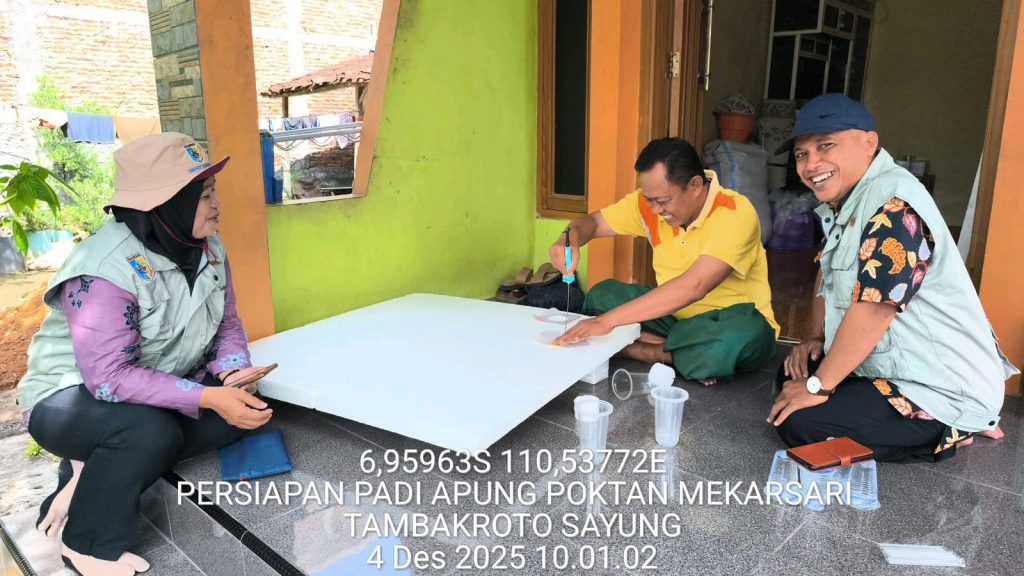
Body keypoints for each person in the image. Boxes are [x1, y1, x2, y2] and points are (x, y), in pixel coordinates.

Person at [16, 133, 275, 575]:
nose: (217, 206)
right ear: (166, 203)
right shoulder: (104, 269)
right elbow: (108, 378)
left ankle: (86, 474)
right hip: (70, 396)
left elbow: (227, 323)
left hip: (150, 385)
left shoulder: (208, 248)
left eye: (213, 192)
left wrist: (233, 375)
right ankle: (86, 546)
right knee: (149, 432)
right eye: (204, 196)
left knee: (241, 412)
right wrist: (206, 396)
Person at [767, 93, 1018, 462]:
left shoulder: (894, 207)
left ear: (869, 143)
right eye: (802, 154)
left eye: (825, 146)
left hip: (941, 385)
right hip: (899, 365)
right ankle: (939, 423)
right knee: (791, 377)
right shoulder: (850, 200)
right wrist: (816, 338)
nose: (811, 164)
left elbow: (875, 309)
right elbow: (827, 272)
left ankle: (951, 430)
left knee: (801, 424)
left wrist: (820, 386)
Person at [550, 138, 779, 385]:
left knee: (736, 338)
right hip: (674, 317)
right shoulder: (648, 204)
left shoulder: (735, 212)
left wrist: (607, 322)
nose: (655, 210)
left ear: (695, 185)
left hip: (728, 322)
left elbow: (694, 286)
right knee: (602, 295)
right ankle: (680, 352)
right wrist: (569, 237)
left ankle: (642, 350)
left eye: (663, 201)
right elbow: (593, 223)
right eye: (649, 200)